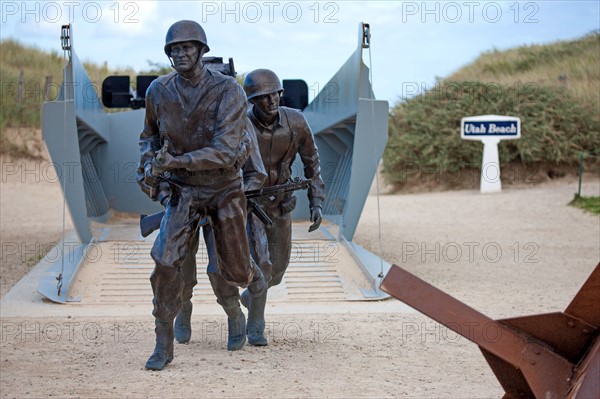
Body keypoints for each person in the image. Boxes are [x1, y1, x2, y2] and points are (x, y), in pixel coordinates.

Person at [137, 20, 267, 371]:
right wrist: (149, 165)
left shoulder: (229, 91)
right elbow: (148, 136)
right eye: (174, 49)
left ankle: (242, 297)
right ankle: (163, 342)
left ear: (201, 51)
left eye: (186, 48)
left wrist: (176, 161)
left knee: (236, 270)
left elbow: (226, 152)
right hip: (182, 190)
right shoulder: (158, 91)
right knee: (165, 262)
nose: (180, 54)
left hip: (224, 188)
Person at [241, 68, 326, 304]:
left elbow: (312, 163)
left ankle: (251, 298)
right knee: (262, 265)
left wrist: (316, 202)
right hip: (251, 205)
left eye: (275, 94)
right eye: (264, 96)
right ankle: (257, 325)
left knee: (278, 270)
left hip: (280, 204)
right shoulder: (241, 123)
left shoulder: (296, 121)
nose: (271, 100)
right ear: (253, 100)